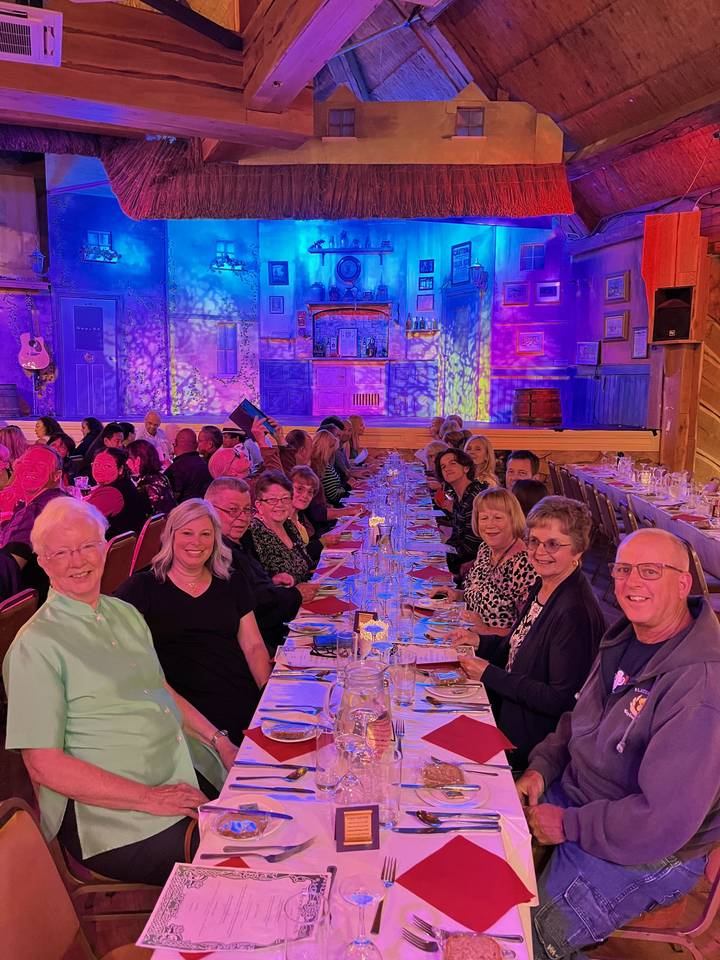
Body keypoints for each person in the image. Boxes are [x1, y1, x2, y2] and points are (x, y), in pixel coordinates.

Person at [3, 497, 232, 885]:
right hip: (113, 819)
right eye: (61, 552)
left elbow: (158, 689)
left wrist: (219, 740)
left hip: (181, 771)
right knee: (234, 859)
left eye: (88, 546)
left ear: (105, 547)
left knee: (273, 810)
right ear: (42, 562)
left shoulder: (123, 612)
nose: (78, 561)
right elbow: (44, 765)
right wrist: (150, 798)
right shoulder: (36, 645)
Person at [519, 528, 720, 959]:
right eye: (623, 570)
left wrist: (569, 825)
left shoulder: (700, 687)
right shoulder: (625, 639)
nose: (631, 583)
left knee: (525, 938)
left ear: (683, 584)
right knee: (484, 872)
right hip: (577, 797)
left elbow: (663, 820)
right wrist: (542, 767)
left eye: (650, 571)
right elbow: (578, 722)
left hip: (649, 845)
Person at [458, 496, 605, 771]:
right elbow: (518, 645)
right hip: (506, 710)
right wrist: (479, 641)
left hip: (529, 745)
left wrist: (489, 673)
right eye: (534, 541)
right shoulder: (545, 584)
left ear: (578, 550)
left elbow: (560, 699)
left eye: (553, 544)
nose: (539, 552)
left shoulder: (575, 612)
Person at [116, 499, 270, 744]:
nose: (196, 542)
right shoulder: (142, 587)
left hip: (240, 697)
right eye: (187, 533)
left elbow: (253, 646)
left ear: (215, 539)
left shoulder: (232, 581)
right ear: (170, 537)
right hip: (185, 712)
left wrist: (267, 695)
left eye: (205, 534)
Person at [205, 477, 316, 653]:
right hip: (267, 643)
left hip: (278, 628)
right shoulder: (215, 553)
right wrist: (295, 595)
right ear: (208, 510)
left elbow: (255, 590)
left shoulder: (238, 544)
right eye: (233, 510)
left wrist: (272, 581)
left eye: (247, 510)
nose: (242, 518)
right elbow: (255, 608)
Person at [437, 488, 537, 637]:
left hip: (495, 651)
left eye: (497, 518)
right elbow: (480, 595)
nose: (490, 525)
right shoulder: (485, 549)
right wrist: (457, 594)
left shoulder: (524, 565)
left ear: (513, 519)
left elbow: (529, 633)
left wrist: (486, 631)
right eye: (484, 518)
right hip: (468, 634)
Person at [0, 446, 66, 601]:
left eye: (41, 465)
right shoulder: (61, 500)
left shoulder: (35, 512)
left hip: (28, 603)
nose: (30, 469)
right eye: (27, 463)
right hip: (55, 595)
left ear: (57, 475)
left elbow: (8, 569)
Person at [250, 471, 313, 584]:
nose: (280, 504)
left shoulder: (288, 525)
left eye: (285, 499)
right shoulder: (254, 532)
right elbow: (262, 584)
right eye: (272, 500)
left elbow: (306, 565)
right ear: (259, 505)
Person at [434, 448, 488, 576]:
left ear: (466, 468)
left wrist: (442, 556)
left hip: (471, 567)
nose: (447, 468)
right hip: (458, 558)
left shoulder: (475, 498)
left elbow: (471, 546)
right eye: (443, 466)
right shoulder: (460, 495)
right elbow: (457, 534)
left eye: (453, 463)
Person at [87, 448, 148, 537]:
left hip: (116, 548)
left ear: (120, 469)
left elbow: (81, 518)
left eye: (107, 466)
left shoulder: (111, 493)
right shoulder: (125, 482)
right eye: (96, 464)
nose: (99, 470)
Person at [126, 439, 177, 515]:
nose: (126, 462)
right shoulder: (162, 477)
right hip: (170, 521)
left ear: (138, 460)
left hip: (155, 525)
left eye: (127, 458)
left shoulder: (144, 486)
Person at [288, 465, 324, 566]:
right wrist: (323, 542)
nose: (305, 495)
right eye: (299, 489)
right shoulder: (282, 520)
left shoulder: (299, 516)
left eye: (310, 492)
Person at [165, 428, 211, 502]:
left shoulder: (174, 470)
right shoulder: (207, 466)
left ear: (175, 443)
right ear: (196, 445)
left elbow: (168, 501)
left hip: (184, 511)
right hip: (204, 510)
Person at [311, 429, 346, 508]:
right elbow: (333, 496)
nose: (333, 452)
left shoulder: (325, 464)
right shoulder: (319, 467)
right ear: (328, 448)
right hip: (331, 508)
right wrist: (348, 486)